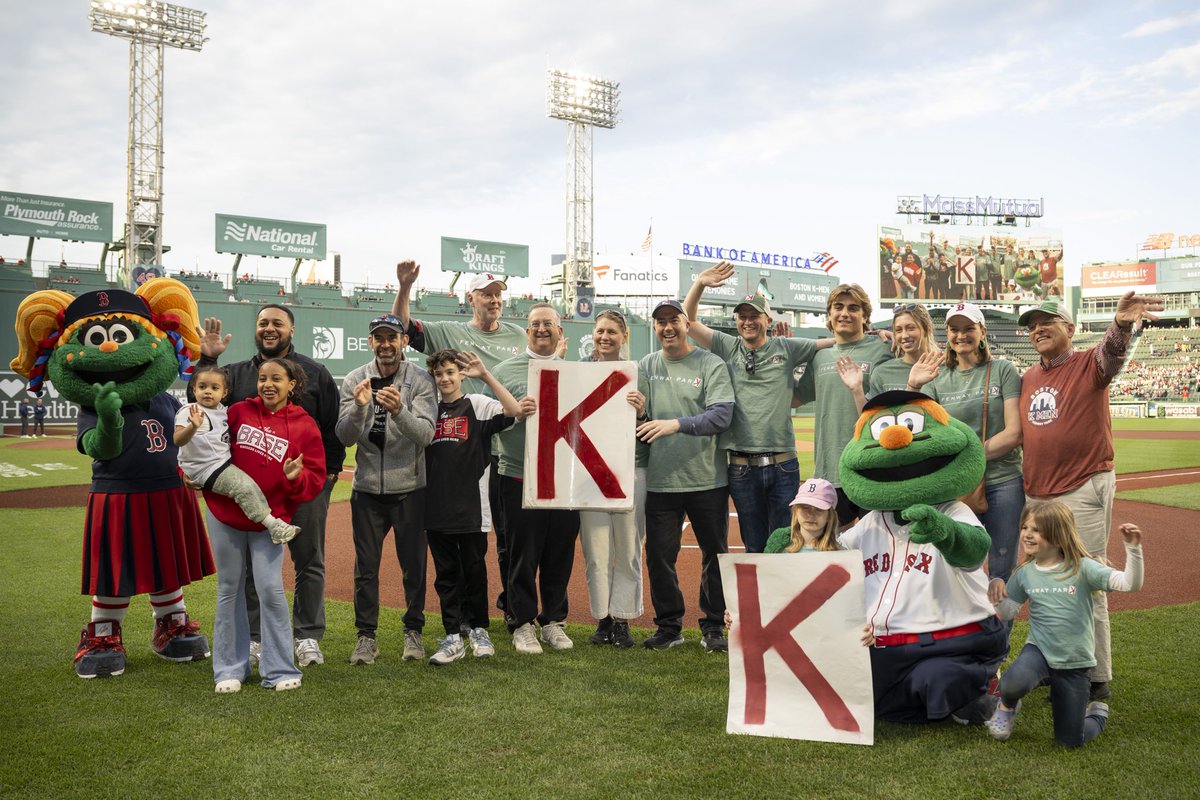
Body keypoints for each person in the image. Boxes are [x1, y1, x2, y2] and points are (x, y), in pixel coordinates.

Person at [1018, 292, 1162, 701]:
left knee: (1087, 581)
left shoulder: (1088, 364)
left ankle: (1096, 675)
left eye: (1048, 321)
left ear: (1070, 328)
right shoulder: (1029, 377)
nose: (1038, 329)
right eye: (1031, 325)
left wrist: (1120, 325)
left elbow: (1112, 355)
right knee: (1045, 584)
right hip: (1038, 494)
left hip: (1082, 486)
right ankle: (1054, 662)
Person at [195, 304, 346, 669]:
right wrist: (206, 359)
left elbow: (331, 431)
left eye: (277, 322)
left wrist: (323, 478)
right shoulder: (233, 374)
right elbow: (201, 407)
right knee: (250, 568)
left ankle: (307, 636)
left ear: (292, 329)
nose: (269, 328)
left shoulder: (316, 372)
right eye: (263, 323)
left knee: (308, 561)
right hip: (251, 494)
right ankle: (257, 638)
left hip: (303, 488)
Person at [393, 261, 526, 620]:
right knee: (477, 539)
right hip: (471, 449)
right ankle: (471, 616)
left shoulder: (518, 334)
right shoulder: (449, 332)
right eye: (487, 294)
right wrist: (405, 287)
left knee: (511, 538)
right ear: (472, 298)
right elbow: (402, 328)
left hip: (510, 444)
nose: (494, 299)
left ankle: (514, 606)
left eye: (498, 293)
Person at [681, 261, 828, 553]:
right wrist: (699, 283)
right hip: (741, 467)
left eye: (755, 316)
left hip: (783, 464)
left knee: (786, 543)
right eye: (742, 316)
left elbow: (828, 343)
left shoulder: (786, 347)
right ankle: (758, 601)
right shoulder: (726, 345)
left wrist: (872, 337)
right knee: (754, 546)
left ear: (768, 320)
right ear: (736, 321)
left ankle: (784, 600)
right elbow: (688, 322)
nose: (748, 321)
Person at [206, 358, 326, 693]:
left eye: (276, 378)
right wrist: (188, 475)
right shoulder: (238, 411)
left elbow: (314, 479)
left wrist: (295, 478)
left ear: (292, 385)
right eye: (262, 378)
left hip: (270, 520)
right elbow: (204, 446)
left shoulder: (304, 424)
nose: (267, 384)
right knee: (229, 588)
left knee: (270, 589)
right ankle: (229, 668)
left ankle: (278, 667)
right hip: (225, 514)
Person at [986, 502, 1144, 746]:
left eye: (1037, 530)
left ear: (1058, 536)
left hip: (1075, 661)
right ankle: (1007, 707)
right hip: (1039, 650)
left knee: (1069, 742)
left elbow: (1130, 584)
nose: (1027, 533)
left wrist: (1133, 549)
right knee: (1012, 682)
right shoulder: (1025, 572)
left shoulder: (1084, 568)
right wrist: (997, 599)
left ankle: (1097, 714)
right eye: (1025, 527)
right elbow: (1007, 613)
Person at [335, 314, 436, 666]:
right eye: (378, 337)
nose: (385, 343)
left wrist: (400, 411)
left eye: (392, 337)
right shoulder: (354, 379)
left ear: (404, 341)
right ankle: (366, 638)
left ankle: (414, 632)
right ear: (370, 342)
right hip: (367, 490)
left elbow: (425, 434)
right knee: (366, 567)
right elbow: (345, 435)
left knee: (413, 566)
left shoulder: (420, 380)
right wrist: (362, 407)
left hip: (410, 487)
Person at [638, 299, 735, 652]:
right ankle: (669, 626)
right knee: (660, 555)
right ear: (654, 327)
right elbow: (639, 419)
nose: (667, 327)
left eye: (674, 320)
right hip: (661, 479)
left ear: (685, 323)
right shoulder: (646, 365)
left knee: (715, 554)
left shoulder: (710, 363)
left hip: (707, 479)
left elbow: (721, 417)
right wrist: (639, 412)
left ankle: (712, 627)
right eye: (660, 322)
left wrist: (675, 424)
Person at [910, 303, 1025, 599]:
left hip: (1003, 479)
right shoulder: (936, 378)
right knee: (954, 561)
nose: (961, 335)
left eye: (968, 328)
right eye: (954, 329)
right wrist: (914, 384)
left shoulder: (1002, 369)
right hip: (955, 484)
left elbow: (1013, 434)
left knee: (1002, 566)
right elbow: (924, 434)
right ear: (947, 334)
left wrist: (968, 458)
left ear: (982, 332)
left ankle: (1000, 637)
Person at [424, 348, 521, 663]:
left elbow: (514, 411)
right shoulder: (429, 411)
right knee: (446, 576)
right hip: (436, 509)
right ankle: (452, 636)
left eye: (450, 372)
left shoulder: (478, 405)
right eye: (439, 374)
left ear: (460, 374)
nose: (445, 378)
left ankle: (479, 630)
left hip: (472, 509)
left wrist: (486, 375)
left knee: (475, 572)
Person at [492, 304, 579, 654]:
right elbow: (489, 421)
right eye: (535, 325)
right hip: (518, 473)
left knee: (560, 552)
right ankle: (522, 621)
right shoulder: (505, 370)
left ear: (560, 332)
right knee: (521, 554)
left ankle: (553, 621)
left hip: (564, 478)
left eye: (548, 324)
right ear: (527, 332)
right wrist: (513, 414)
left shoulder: (576, 372)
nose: (541, 329)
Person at [794, 283, 894, 526]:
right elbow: (792, 398)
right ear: (829, 315)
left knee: (881, 547)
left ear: (865, 316)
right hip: (831, 468)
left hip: (874, 466)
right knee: (837, 547)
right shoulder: (819, 357)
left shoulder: (885, 349)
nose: (845, 313)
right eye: (838, 307)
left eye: (853, 308)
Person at [577, 310, 647, 648]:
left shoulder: (637, 374)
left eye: (612, 332)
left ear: (624, 336)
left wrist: (643, 411)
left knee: (629, 549)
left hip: (629, 471)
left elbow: (650, 427)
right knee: (596, 552)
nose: (604, 337)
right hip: (590, 473)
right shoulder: (578, 372)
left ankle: (623, 619)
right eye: (600, 331)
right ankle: (603, 618)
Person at [174, 365, 300, 545]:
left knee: (250, 487)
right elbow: (178, 440)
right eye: (202, 387)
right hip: (205, 468)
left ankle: (274, 524)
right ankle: (274, 527)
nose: (207, 392)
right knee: (244, 488)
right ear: (194, 389)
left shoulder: (221, 410)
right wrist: (192, 427)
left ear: (224, 393)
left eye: (214, 388)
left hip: (217, 464)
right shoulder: (190, 411)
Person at [763, 478, 841, 553]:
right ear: (796, 511)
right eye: (805, 507)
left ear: (830, 515)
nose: (810, 514)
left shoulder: (840, 554)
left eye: (819, 509)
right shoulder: (778, 543)